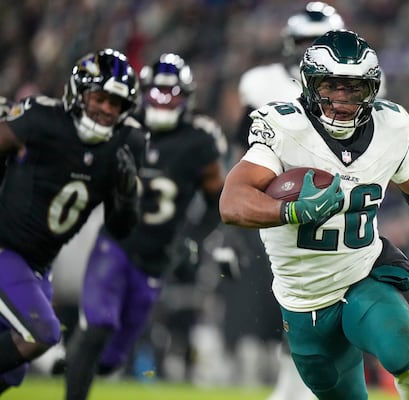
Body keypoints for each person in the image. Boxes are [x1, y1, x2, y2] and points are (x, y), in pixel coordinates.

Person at [219, 29, 409, 399]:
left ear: (371, 90)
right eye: (331, 85)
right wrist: (291, 210)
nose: (341, 99)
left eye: (353, 88)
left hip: (361, 277)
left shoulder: (391, 126)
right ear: (309, 84)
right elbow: (232, 201)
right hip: (302, 302)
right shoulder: (284, 126)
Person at [64, 52, 225, 400]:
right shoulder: (124, 126)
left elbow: (219, 202)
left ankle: (76, 362)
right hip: (115, 243)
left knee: (111, 358)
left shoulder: (200, 140)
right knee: (98, 326)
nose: (162, 100)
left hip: (157, 258)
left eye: (171, 94)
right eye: (156, 92)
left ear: (186, 97)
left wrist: (194, 240)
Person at [0, 48, 146, 395]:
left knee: (10, 373)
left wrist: (127, 195)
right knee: (41, 333)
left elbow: (121, 227)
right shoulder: (41, 118)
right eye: (100, 98)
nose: (107, 109)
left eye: (116, 104)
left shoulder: (128, 143)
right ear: (78, 93)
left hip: (38, 265)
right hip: (5, 249)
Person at [230, 3, 344, 398]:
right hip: (276, 206)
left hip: (331, 210)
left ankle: (306, 385)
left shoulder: (351, 88)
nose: (311, 49)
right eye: (304, 41)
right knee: (284, 300)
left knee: (328, 302)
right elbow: (241, 151)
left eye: (320, 41)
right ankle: (286, 385)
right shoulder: (262, 83)